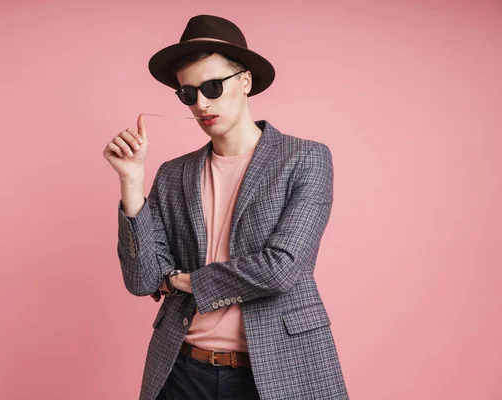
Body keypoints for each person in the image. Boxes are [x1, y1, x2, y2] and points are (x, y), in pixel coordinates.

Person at [104, 14, 349, 400]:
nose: (201, 104)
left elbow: (282, 269)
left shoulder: (305, 159)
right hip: (181, 369)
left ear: (246, 81)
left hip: (274, 369)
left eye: (213, 87)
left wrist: (186, 281)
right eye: (188, 93)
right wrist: (132, 181)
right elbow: (142, 280)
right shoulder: (174, 174)